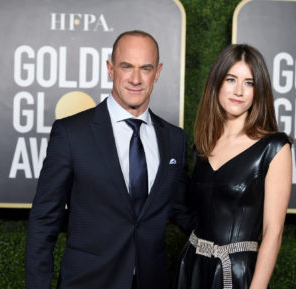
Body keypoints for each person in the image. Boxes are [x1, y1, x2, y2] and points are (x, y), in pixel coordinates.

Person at [25, 30, 192, 289]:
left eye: (145, 68)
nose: (136, 79)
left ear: (157, 72)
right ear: (110, 69)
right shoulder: (71, 133)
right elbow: (44, 219)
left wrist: (234, 232)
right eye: (127, 67)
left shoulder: (175, 139)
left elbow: (181, 209)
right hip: (87, 281)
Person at [173, 44, 292, 289]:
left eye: (249, 83)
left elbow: (273, 232)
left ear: (259, 91)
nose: (239, 90)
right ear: (217, 83)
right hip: (191, 269)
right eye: (231, 79)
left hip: (236, 274)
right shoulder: (204, 144)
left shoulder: (275, 147)